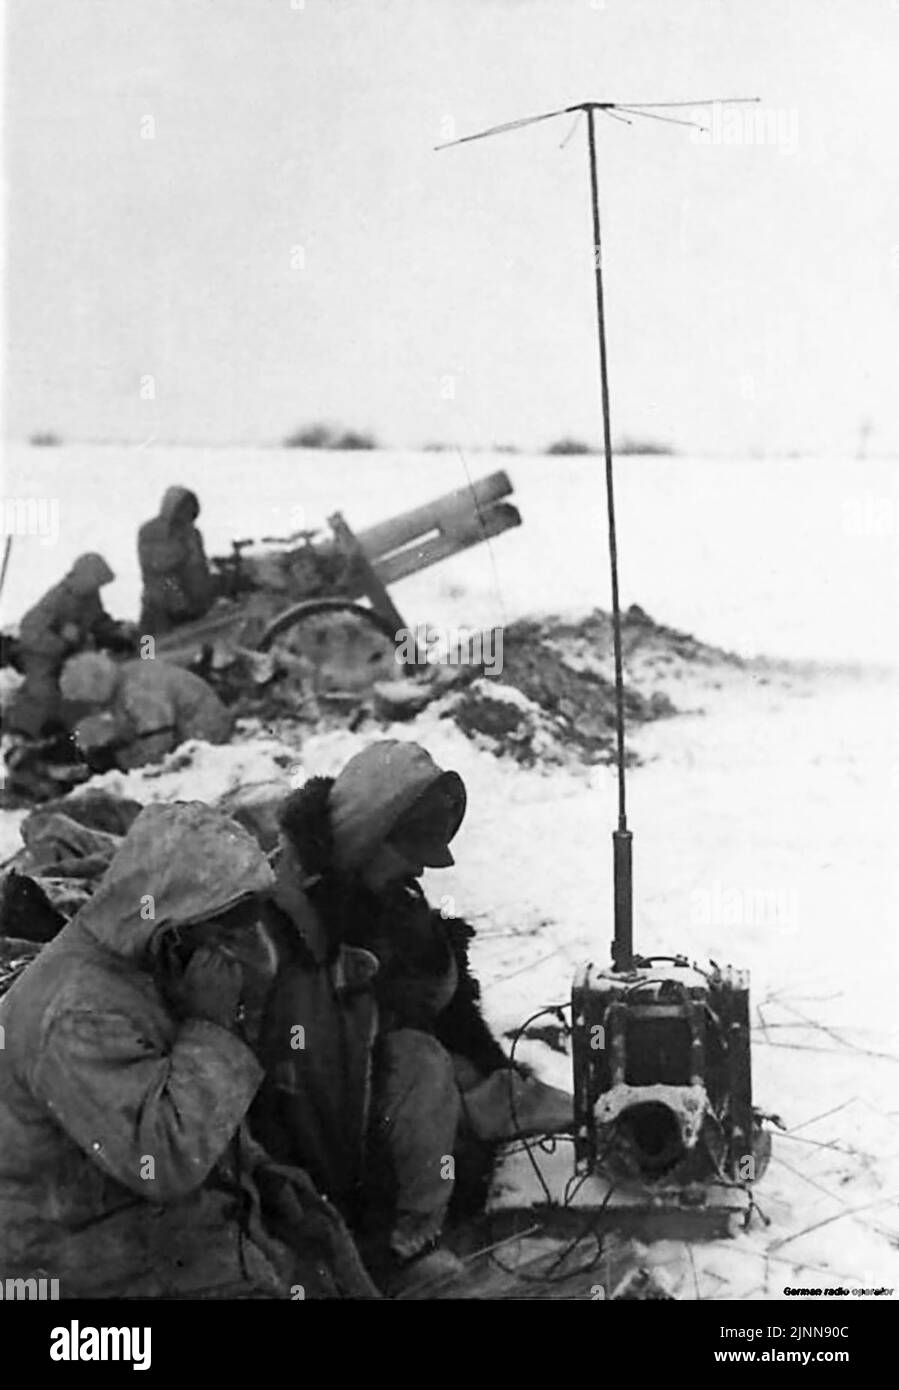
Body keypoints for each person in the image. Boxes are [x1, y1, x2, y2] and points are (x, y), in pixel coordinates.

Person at [0, 801, 378, 1299]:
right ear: (173, 925)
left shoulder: (140, 964)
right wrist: (211, 1028)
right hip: (72, 1262)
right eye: (221, 932)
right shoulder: (80, 1014)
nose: (232, 951)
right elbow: (162, 1160)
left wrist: (260, 1176)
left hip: (139, 1228)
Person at [253, 739, 573, 1295]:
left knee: (464, 1080)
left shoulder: (392, 904)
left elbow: (451, 1023)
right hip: (304, 1126)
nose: (422, 868)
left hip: (364, 1109)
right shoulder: (276, 914)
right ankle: (400, 1247)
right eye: (410, 850)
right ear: (369, 835)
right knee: (424, 1065)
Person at [4, 553, 119, 738]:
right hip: (39, 654)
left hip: (72, 652)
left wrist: (109, 628)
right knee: (42, 694)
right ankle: (20, 732)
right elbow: (30, 630)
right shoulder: (58, 598)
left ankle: (65, 728)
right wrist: (61, 644)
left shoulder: (89, 596)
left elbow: (94, 617)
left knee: (83, 686)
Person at [59, 650, 233, 771]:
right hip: (196, 731)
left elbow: (158, 741)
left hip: (205, 737)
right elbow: (136, 728)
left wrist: (121, 762)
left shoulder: (137, 688)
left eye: (84, 697)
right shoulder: (127, 678)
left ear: (95, 684)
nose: (89, 704)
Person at [138, 486, 215, 636]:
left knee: (188, 646)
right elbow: (156, 562)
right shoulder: (150, 530)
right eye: (183, 508)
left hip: (192, 604)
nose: (186, 513)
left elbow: (199, 564)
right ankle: (145, 657)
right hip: (160, 602)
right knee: (149, 646)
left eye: (190, 508)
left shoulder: (193, 533)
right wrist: (184, 549)